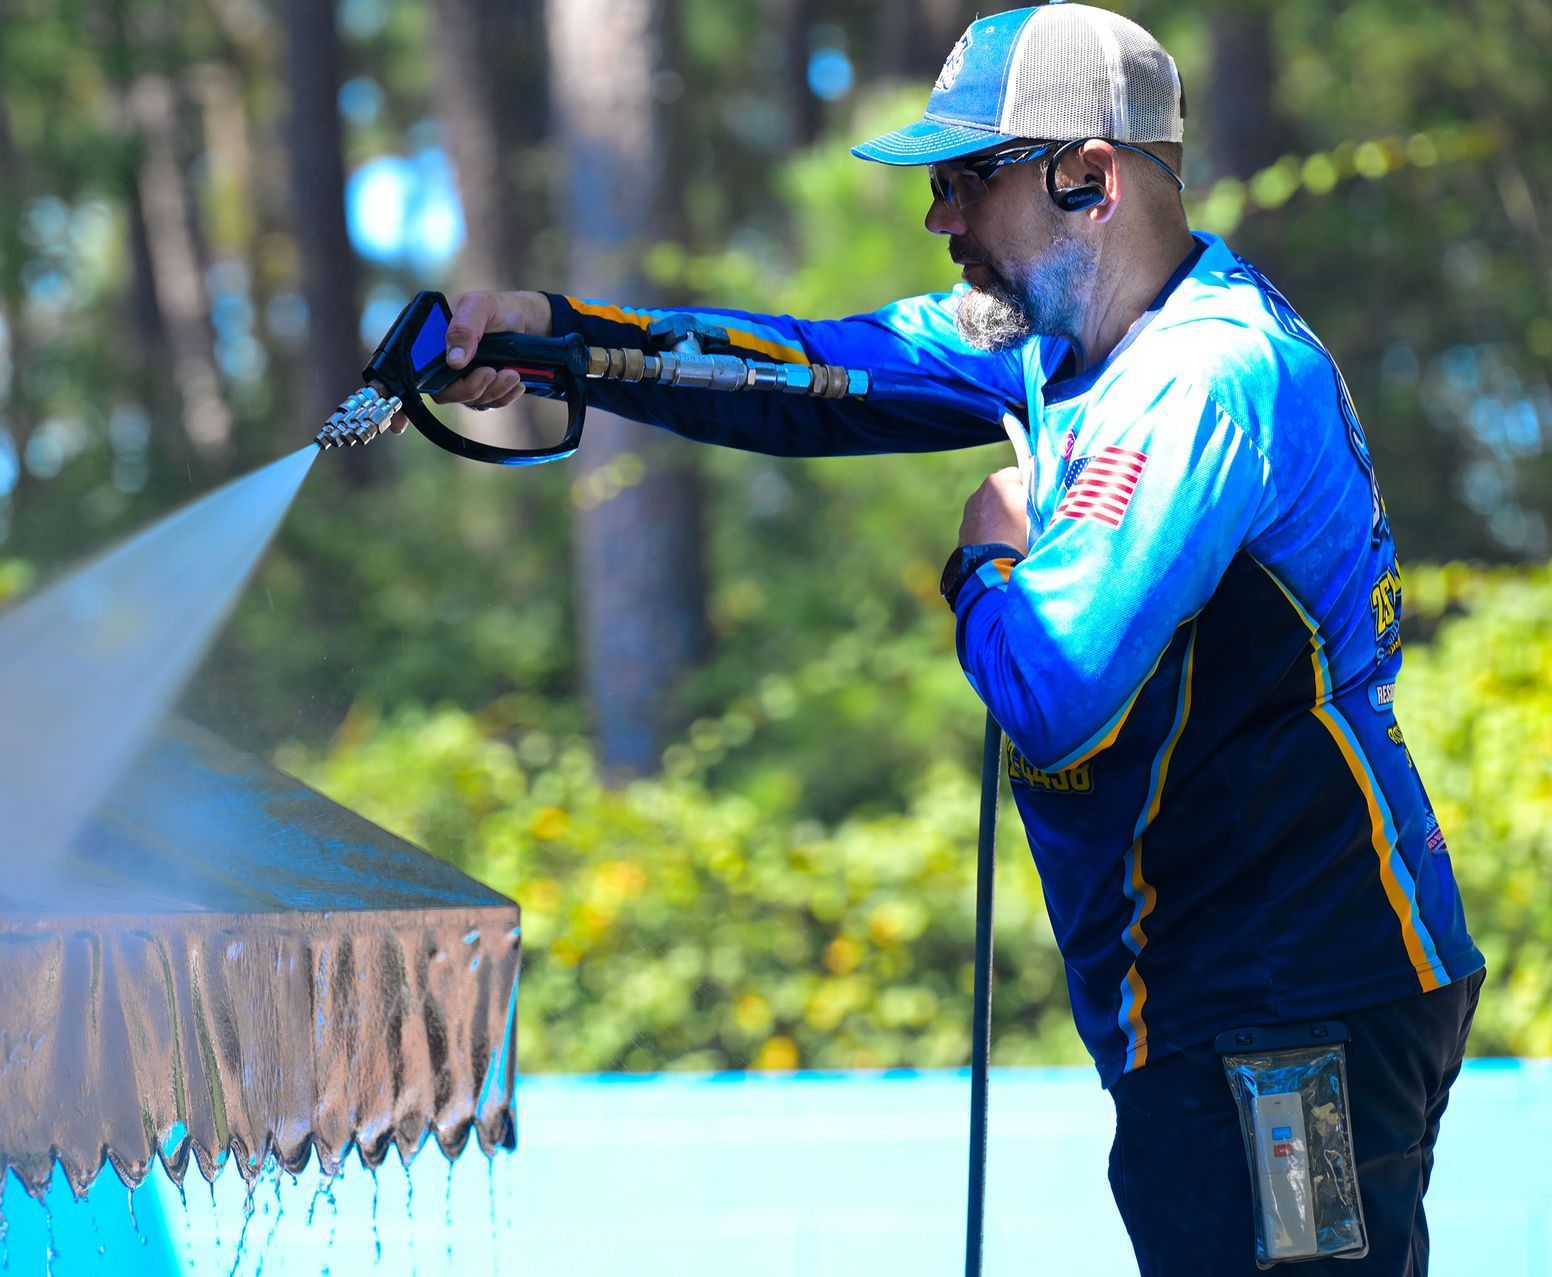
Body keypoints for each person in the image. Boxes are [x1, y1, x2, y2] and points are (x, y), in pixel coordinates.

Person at [427, 3, 1483, 1273]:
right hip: (1234, 1000)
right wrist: (559, 340)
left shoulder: (1202, 378)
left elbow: (1054, 687)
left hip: (1291, 1004)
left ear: (1087, 176)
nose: (939, 220)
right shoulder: (1065, 342)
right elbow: (818, 374)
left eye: (964, 181)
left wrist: (985, 558)